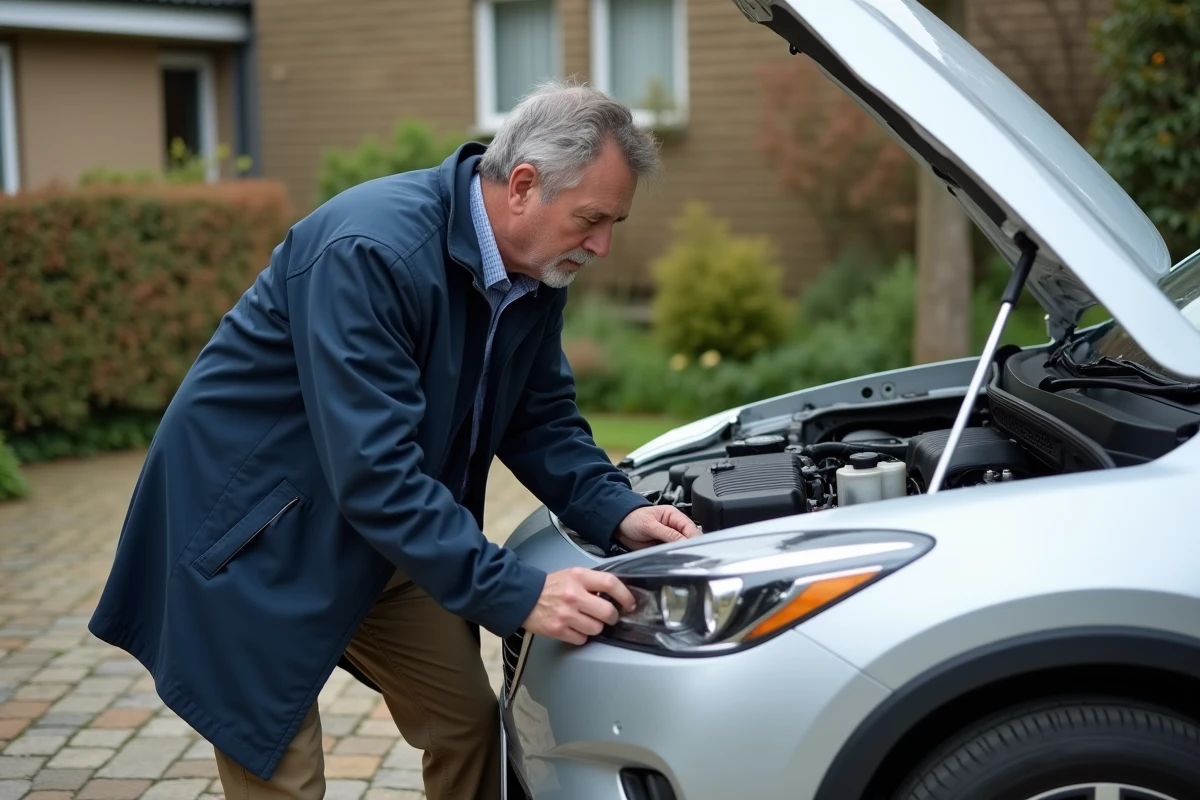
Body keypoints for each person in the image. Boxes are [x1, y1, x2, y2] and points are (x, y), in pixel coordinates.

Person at [86, 79, 700, 800]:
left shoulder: (535, 273)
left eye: (613, 224)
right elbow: (374, 473)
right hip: (253, 539)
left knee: (469, 724)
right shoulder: (371, 252)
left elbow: (541, 419)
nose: (600, 245)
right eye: (591, 218)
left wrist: (615, 508)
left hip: (385, 533)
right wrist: (521, 593)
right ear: (524, 186)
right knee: (280, 771)